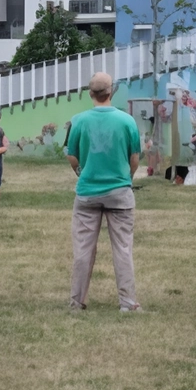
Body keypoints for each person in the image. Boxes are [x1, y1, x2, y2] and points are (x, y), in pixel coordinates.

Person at [65, 72, 142, 312]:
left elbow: (71, 154)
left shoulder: (78, 120)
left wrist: (81, 171)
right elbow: (135, 157)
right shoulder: (127, 121)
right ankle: (128, 303)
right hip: (119, 192)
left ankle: (77, 302)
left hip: (87, 192)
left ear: (90, 93)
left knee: (83, 250)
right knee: (122, 248)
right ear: (112, 92)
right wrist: (126, 178)